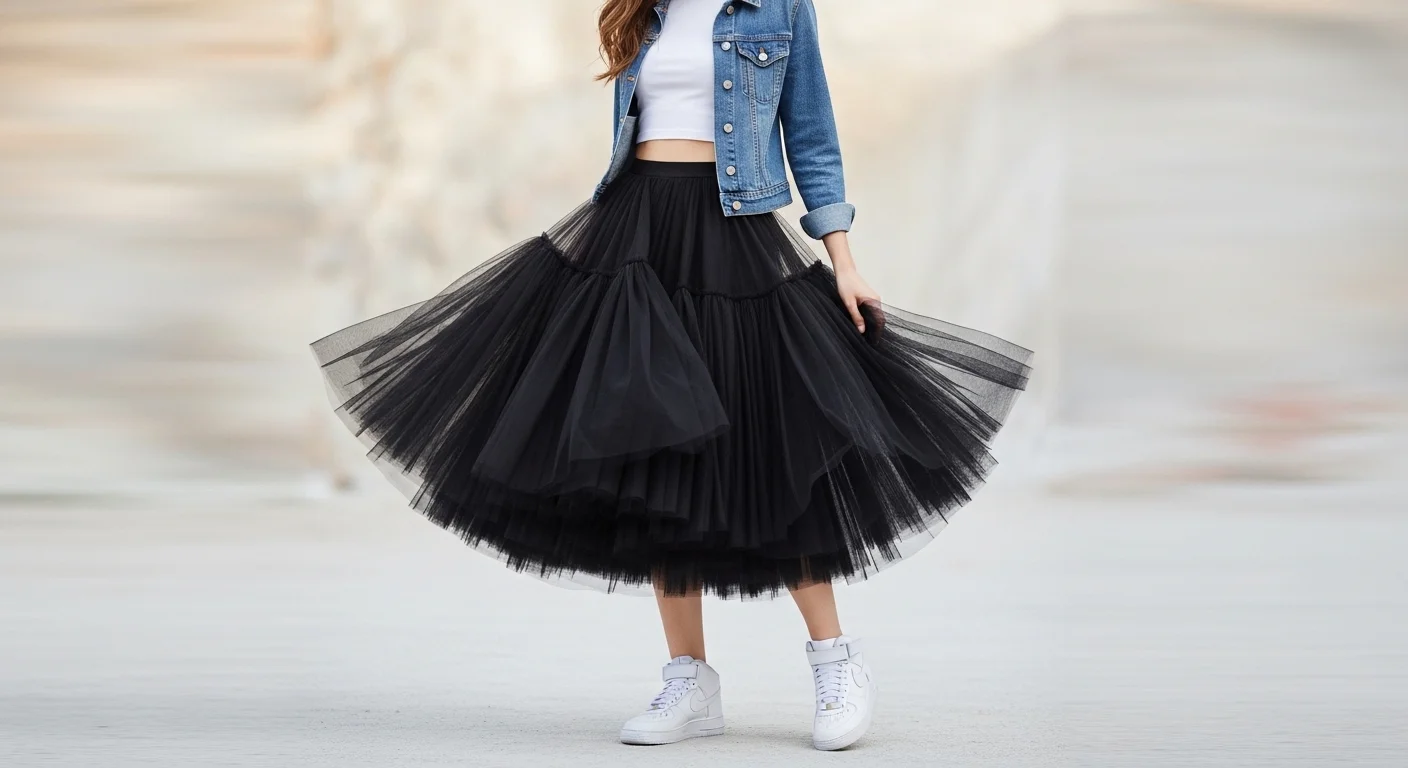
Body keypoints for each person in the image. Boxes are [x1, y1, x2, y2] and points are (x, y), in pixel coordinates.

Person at [312, 0, 1032, 752]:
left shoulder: (780, 7)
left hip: (734, 238)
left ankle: (835, 661)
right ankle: (690, 679)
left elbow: (812, 138)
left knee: (773, 447)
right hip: (635, 234)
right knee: (653, 450)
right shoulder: (642, 9)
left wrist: (843, 263)